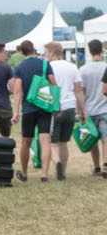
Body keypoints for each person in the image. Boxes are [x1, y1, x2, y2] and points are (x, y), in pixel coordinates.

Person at [10, 40, 54, 181]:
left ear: (21, 52)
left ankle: (24, 173)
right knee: (45, 140)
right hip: (44, 106)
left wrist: (16, 111)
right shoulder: (45, 64)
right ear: (34, 50)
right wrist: (56, 105)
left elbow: (17, 92)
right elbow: (54, 84)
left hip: (28, 109)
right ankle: (44, 174)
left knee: (26, 142)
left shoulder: (20, 68)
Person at [45, 41, 81, 181]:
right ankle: (63, 171)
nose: (45, 55)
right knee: (64, 143)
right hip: (70, 107)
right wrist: (81, 111)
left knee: (53, 143)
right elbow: (78, 90)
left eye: (46, 52)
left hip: (55, 108)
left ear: (52, 53)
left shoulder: (48, 67)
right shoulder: (73, 67)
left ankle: (57, 163)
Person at [80, 40, 107, 177]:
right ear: (101, 50)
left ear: (89, 51)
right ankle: (106, 163)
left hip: (90, 109)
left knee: (93, 139)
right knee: (105, 138)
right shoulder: (106, 67)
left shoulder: (84, 69)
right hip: (105, 108)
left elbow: (81, 92)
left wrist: (80, 111)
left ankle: (96, 167)